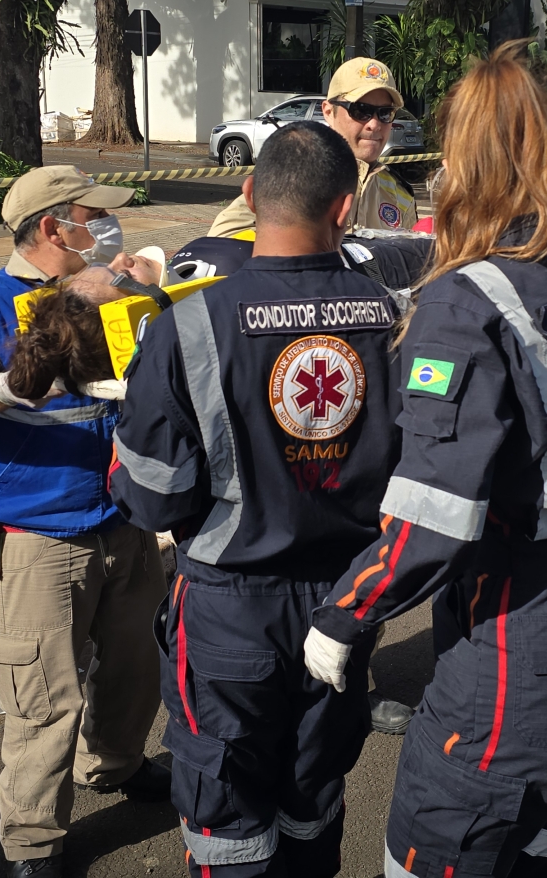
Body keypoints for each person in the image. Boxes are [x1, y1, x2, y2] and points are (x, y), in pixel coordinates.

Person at [304, 43, 547, 878]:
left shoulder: (465, 304)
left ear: (461, 159)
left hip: (522, 644)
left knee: (427, 860)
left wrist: (347, 615)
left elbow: (438, 513)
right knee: (539, 854)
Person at [110, 121, 403, 877]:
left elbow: (152, 499)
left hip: (230, 612)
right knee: (314, 790)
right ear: (345, 209)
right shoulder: (395, 319)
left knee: (226, 814)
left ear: (247, 194)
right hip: (346, 604)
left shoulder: (188, 323)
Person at [0, 165, 170, 878]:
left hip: (125, 519)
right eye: (96, 216)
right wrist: (8, 386)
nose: (109, 228)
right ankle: (32, 843)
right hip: (36, 536)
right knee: (43, 699)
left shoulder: (104, 291)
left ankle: (114, 766)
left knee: (134, 666)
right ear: (54, 226)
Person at [208, 57, 418, 238]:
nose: (374, 124)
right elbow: (221, 241)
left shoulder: (400, 196)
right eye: (361, 110)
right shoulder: (293, 174)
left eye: (385, 113)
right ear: (328, 112)